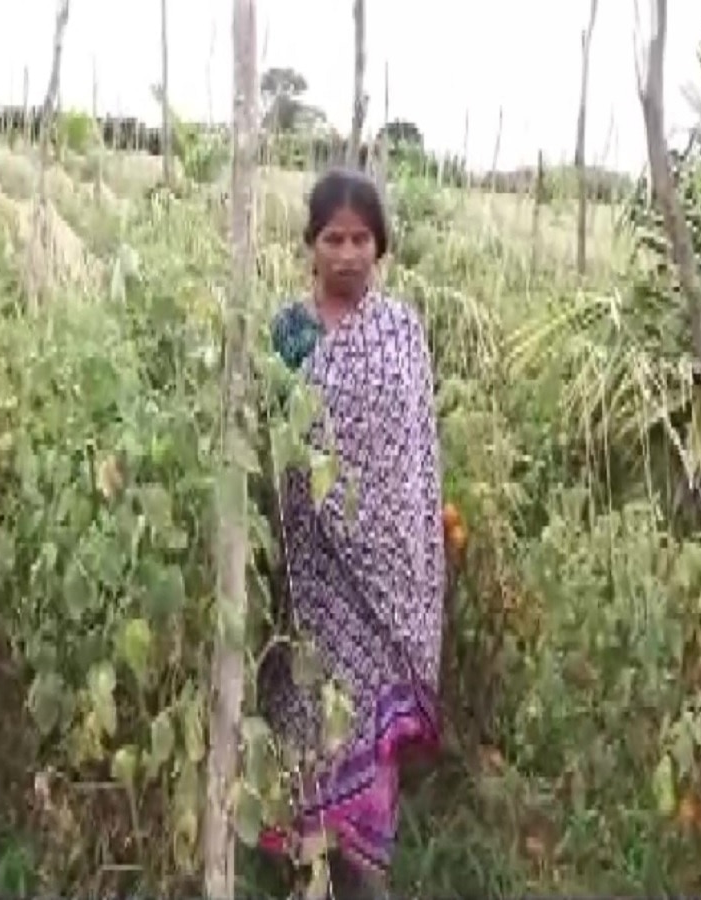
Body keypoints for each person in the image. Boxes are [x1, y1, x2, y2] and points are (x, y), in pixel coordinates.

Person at [256, 168, 444, 899]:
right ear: (310, 247)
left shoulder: (399, 333)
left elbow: (414, 458)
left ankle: (362, 875)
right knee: (306, 716)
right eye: (332, 237)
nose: (347, 252)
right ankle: (302, 868)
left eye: (361, 238)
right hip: (309, 577)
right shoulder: (289, 333)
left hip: (382, 579)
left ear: (381, 247)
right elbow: (274, 444)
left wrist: (399, 544)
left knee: (364, 730)